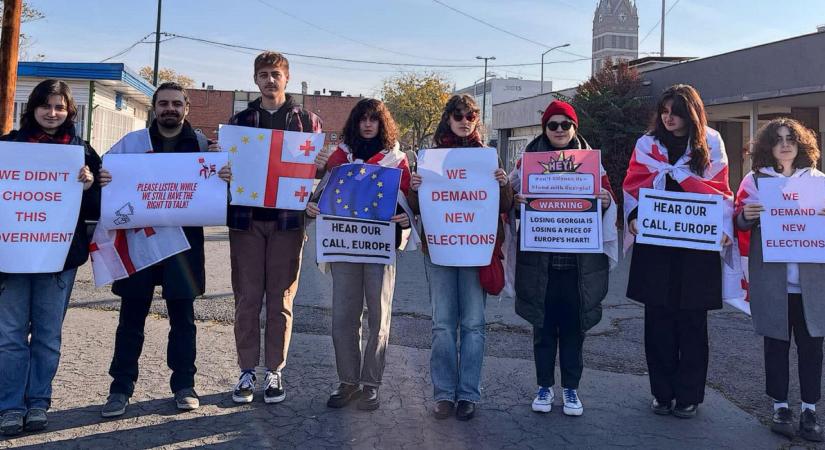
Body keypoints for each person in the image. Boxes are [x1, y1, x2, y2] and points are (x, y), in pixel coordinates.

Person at [98, 82, 221, 418]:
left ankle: (184, 385)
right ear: (154, 108)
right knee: (130, 318)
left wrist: (222, 172)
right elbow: (104, 174)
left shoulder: (202, 146)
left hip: (183, 244)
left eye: (176, 103)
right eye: (164, 103)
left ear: (187, 108)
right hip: (140, 240)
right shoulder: (132, 143)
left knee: (183, 319)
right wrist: (103, 177)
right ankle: (120, 388)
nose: (170, 109)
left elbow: (217, 189)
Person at [622, 84, 733, 419]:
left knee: (692, 321)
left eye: (676, 112)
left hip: (695, 247)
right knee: (657, 319)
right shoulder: (647, 143)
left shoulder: (711, 142)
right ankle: (662, 392)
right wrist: (632, 218)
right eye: (664, 112)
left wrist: (723, 228)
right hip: (656, 245)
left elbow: (720, 187)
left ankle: (689, 395)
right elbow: (633, 184)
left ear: (691, 113)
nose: (669, 119)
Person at [226, 51, 327, 404]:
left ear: (287, 78)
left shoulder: (306, 122)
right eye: (264, 74)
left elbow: (316, 174)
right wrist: (222, 168)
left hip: (287, 221)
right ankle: (246, 370)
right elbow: (227, 167)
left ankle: (274, 371)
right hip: (247, 220)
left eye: (276, 74)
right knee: (248, 297)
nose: (270, 80)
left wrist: (321, 168)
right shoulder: (240, 121)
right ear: (256, 79)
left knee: (281, 300)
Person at [0, 79, 100, 436]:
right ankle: (10, 405)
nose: (52, 113)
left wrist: (89, 187)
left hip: (58, 259)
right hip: (11, 258)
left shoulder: (82, 151)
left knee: (47, 335)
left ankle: (38, 401)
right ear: (33, 108)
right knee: (9, 334)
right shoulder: (7, 146)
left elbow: (98, 209)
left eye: (60, 107)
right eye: (46, 105)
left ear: (69, 111)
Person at [408, 94, 513, 421]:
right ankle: (443, 395)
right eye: (458, 115)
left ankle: (467, 394)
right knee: (442, 325)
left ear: (476, 120)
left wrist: (504, 184)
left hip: (475, 250)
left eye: (470, 116)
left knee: (473, 324)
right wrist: (415, 187)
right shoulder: (432, 158)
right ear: (448, 119)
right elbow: (416, 207)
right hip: (439, 249)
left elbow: (504, 207)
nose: (465, 121)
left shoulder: (487, 157)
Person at [511, 100, 617, 417]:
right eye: (553, 124)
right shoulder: (525, 163)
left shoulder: (592, 164)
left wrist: (606, 199)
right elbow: (509, 205)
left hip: (578, 266)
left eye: (565, 124)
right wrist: (516, 201)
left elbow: (610, 204)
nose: (559, 130)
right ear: (545, 128)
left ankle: (571, 389)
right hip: (540, 263)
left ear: (574, 127)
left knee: (574, 330)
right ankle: (544, 386)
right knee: (543, 329)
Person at [305, 98, 411, 410]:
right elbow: (320, 194)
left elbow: (408, 201)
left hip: (381, 247)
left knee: (379, 318)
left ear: (382, 124)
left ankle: (371, 384)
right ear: (355, 122)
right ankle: (347, 381)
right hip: (344, 246)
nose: (367, 124)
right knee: (343, 316)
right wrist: (311, 204)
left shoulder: (397, 159)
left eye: (374, 119)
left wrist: (407, 215)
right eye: (363, 119)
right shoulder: (338, 157)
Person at [734, 118, 825, 442]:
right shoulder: (755, 181)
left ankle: (810, 410)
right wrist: (746, 216)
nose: (785, 144)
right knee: (776, 346)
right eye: (778, 139)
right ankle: (781, 407)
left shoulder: (818, 182)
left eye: (791, 139)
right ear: (767, 147)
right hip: (773, 281)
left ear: (801, 145)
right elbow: (738, 222)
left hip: (812, 284)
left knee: (813, 349)